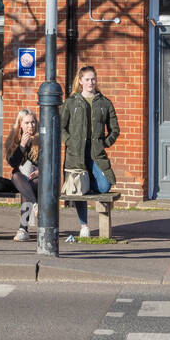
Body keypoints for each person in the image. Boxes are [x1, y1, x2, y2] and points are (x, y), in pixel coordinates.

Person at [60, 65, 120, 238]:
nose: (90, 82)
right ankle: (84, 225)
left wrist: (105, 143)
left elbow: (115, 129)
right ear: (80, 81)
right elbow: (61, 127)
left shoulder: (104, 102)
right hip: (76, 153)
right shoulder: (71, 102)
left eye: (93, 79)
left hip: (96, 152)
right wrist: (70, 142)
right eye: (87, 79)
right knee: (79, 190)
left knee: (104, 186)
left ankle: (90, 185)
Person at [4, 108, 41, 242]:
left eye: (33, 122)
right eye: (26, 123)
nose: (31, 126)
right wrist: (22, 146)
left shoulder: (40, 138)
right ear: (20, 124)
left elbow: (48, 161)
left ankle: (23, 229)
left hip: (37, 178)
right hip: (21, 179)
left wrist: (39, 171)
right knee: (16, 175)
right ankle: (36, 205)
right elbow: (13, 163)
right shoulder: (13, 139)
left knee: (29, 186)